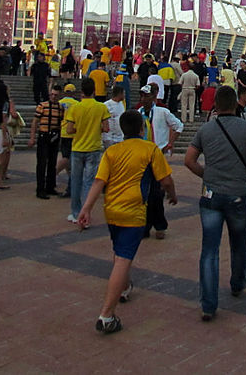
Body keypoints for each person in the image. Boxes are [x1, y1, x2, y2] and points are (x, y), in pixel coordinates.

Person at [78, 110, 177, 334]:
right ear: (142, 129)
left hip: (111, 210)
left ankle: (124, 287)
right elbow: (166, 180)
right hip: (134, 212)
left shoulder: (112, 151)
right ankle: (107, 314)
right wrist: (172, 194)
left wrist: (86, 208)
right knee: (123, 259)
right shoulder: (150, 149)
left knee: (119, 251)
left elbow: (98, 182)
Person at [184, 86, 246, 321]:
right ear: (235, 104)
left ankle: (208, 304)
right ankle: (237, 282)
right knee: (238, 243)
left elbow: (188, 160)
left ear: (215, 105)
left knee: (209, 250)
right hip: (237, 195)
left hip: (211, 196)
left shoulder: (205, 129)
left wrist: (207, 175)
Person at [137, 85, 183, 238]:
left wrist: (170, 142)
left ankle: (157, 225)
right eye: (142, 96)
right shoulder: (138, 113)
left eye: (147, 96)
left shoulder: (162, 112)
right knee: (144, 192)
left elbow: (179, 126)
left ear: (154, 96)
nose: (144, 99)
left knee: (156, 193)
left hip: (157, 155)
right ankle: (149, 224)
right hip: (142, 157)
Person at [64, 77, 111, 224]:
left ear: (82, 91)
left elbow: (69, 129)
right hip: (94, 147)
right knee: (90, 182)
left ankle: (75, 212)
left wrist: (81, 128)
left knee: (76, 181)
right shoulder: (101, 107)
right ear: (94, 91)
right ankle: (86, 212)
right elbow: (106, 128)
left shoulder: (74, 108)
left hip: (77, 147)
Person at [27, 86, 64, 199]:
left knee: (52, 163)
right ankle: (40, 189)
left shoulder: (60, 108)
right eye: (52, 94)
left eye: (56, 95)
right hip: (44, 136)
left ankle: (50, 187)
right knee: (42, 163)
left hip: (54, 137)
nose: (53, 97)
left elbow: (61, 123)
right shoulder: (42, 106)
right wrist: (32, 137)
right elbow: (35, 122)